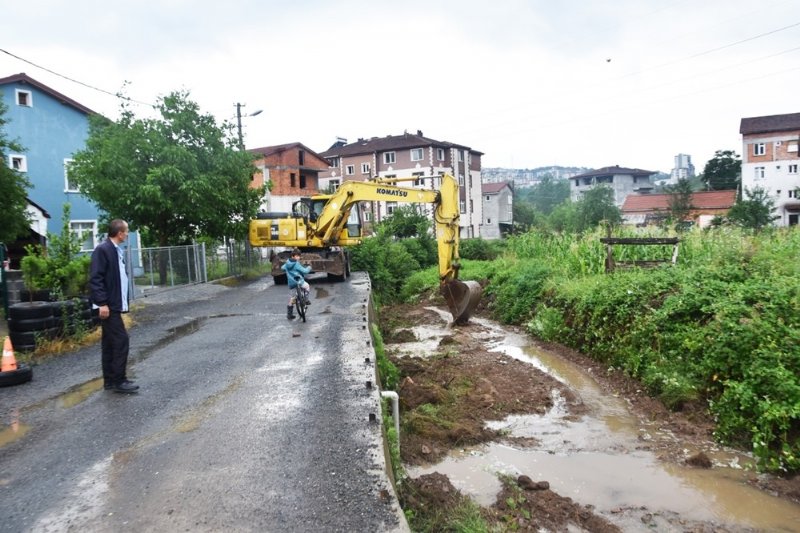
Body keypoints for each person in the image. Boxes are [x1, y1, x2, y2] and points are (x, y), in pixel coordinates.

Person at [90, 219, 139, 394]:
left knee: (109, 342)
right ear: (119, 233)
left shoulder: (115, 250)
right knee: (121, 340)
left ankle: (110, 380)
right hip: (108, 305)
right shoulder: (103, 250)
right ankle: (120, 380)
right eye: (126, 231)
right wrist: (102, 303)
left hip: (113, 304)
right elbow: (96, 278)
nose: (127, 234)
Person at [282, 248, 312, 320]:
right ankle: (306, 300)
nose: (298, 257)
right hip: (299, 282)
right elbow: (304, 271)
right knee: (307, 286)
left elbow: (282, 267)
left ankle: (289, 315)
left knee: (292, 298)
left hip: (291, 283)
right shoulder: (296, 264)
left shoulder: (287, 263)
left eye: (299, 256)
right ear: (293, 256)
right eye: (297, 256)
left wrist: (286, 269)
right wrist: (309, 267)